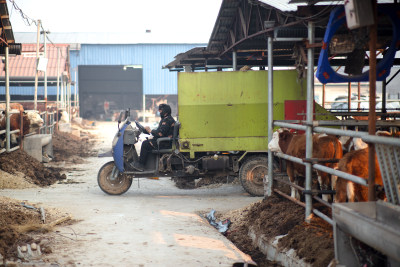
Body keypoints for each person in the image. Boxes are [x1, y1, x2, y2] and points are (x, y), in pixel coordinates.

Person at [132, 104, 175, 171]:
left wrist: (150, 131)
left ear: (165, 112)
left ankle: (141, 165)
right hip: (163, 141)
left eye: (161, 111)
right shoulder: (166, 119)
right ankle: (144, 163)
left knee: (145, 144)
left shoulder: (166, 120)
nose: (159, 112)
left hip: (164, 143)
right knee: (147, 141)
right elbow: (159, 131)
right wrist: (149, 131)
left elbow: (160, 134)